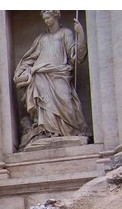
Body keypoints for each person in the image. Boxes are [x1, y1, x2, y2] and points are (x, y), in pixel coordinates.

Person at [13, 10, 88, 148]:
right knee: (45, 105)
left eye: (47, 17)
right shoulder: (41, 38)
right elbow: (30, 58)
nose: (46, 20)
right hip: (41, 74)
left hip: (60, 73)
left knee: (67, 102)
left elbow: (76, 57)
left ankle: (70, 130)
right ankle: (48, 132)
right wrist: (22, 72)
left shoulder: (66, 33)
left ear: (55, 16)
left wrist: (81, 34)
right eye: (44, 18)